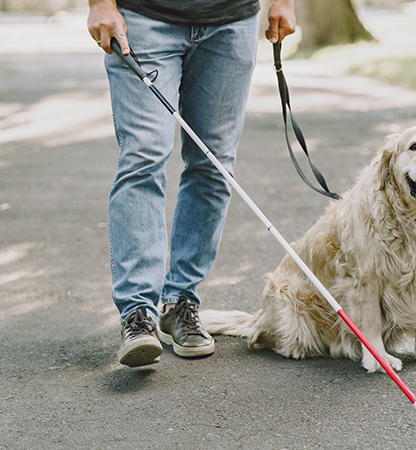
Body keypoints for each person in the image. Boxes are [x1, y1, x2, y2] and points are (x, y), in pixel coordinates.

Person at [87, 0, 296, 367]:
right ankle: (138, 315)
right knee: (143, 157)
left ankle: (180, 301)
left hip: (231, 22)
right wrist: (101, 4)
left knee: (214, 165)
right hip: (145, 18)